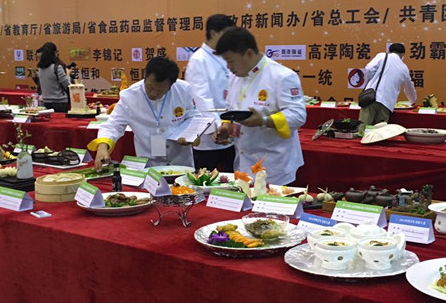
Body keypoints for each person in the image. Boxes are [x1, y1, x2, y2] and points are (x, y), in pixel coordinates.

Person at [213, 27, 306, 185]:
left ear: (249, 53)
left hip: (274, 166)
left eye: (231, 61)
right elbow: (231, 108)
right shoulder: (235, 77)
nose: (228, 67)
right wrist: (226, 126)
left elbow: (298, 115)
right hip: (243, 163)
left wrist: (263, 120)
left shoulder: (282, 76)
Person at [89, 56, 200, 170]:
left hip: (181, 161)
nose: (154, 93)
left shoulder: (183, 90)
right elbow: (113, 125)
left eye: (160, 91)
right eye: (150, 87)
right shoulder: (130, 96)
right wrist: (102, 147)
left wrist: (189, 135)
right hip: (149, 165)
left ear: (171, 85)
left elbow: (194, 117)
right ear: (145, 76)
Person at [185, 13, 237, 172]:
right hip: (209, 135)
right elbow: (202, 99)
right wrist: (219, 127)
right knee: (205, 180)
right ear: (214, 33)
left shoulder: (227, 56)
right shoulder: (198, 60)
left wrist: (229, 125)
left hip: (229, 132)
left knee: (231, 181)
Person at [359, 42, 417, 126]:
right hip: (387, 102)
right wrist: (413, 100)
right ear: (403, 54)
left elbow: (369, 69)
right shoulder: (404, 67)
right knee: (381, 129)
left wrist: (369, 83)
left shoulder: (382, 56)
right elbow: (409, 87)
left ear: (389, 51)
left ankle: (361, 134)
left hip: (371, 97)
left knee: (363, 127)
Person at [36, 42, 70, 113]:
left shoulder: (40, 68)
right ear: (54, 53)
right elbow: (66, 84)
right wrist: (68, 75)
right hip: (59, 102)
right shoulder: (57, 67)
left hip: (45, 101)